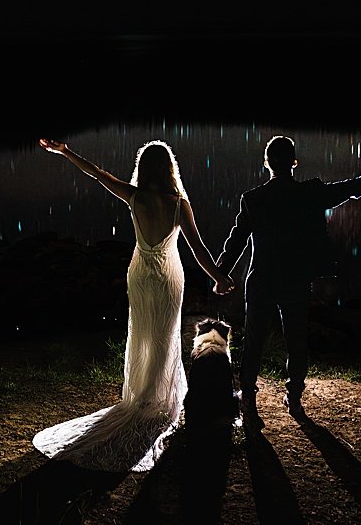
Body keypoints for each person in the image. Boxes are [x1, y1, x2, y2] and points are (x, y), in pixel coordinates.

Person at [32, 137, 235, 472]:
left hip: (141, 274)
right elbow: (198, 248)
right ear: (170, 169)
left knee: (141, 333)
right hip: (169, 276)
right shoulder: (178, 203)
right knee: (163, 335)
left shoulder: (135, 196)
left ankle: (141, 396)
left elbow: (97, 174)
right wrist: (217, 277)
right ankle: (154, 399)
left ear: (144, 168)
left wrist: (66, 153)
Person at [217, 134, 361, 425]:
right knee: (297, 341)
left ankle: (248, 400)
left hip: (261, 281)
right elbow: (354, 188)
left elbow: (236, 240)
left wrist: (220, 274)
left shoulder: (254, 199)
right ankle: (294, 398)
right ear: (294, 162)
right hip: (295, 281)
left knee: (254, 342)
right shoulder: (311, 193)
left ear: (266, 163)